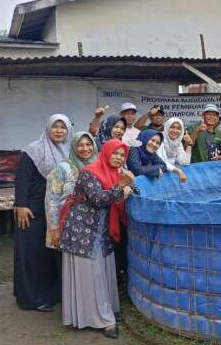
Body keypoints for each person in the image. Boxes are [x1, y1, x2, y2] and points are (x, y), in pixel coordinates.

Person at [59, 139, 135, 339]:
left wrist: (129, 186)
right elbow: (100, 199)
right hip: (82, 231)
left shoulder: (115, 173)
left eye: (122, 155)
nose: (118, 158)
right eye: (115, 153)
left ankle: (105, 310)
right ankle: (101, 319)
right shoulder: (89, 172)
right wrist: (121, 185)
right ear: (105, 153)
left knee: (101, 273)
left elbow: (122, 195)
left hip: (101, 231)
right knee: (91, 275)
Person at [14, 114, 73, 312]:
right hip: (32, 210)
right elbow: (22, 178)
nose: (58, 131)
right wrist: (20, 205)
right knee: (31, 253)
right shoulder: (33, 150)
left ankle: (50, 295)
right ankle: (30, 298)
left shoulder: (70, 151)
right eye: (55, 127)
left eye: (62, 127)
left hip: (55, 211)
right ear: (47, 128)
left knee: (50, 254)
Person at [46, 132, 98, 250]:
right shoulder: (63, 168)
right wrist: (54, 227)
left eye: (88, 144)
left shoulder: (99, 166)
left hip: (95, 224)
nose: (85, 148)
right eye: (80, 145)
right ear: (74, 147)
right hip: (68, 223)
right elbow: (53, 199)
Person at [156, 117, 191, 183]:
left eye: (178, 128)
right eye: (172, 127)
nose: (175, 131)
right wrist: (178, 171)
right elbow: (161, 162)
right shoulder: (159, 139)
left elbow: (184, 162)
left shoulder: (178, 143)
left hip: (169, 176)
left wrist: (189, 144)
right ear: (167, 127)